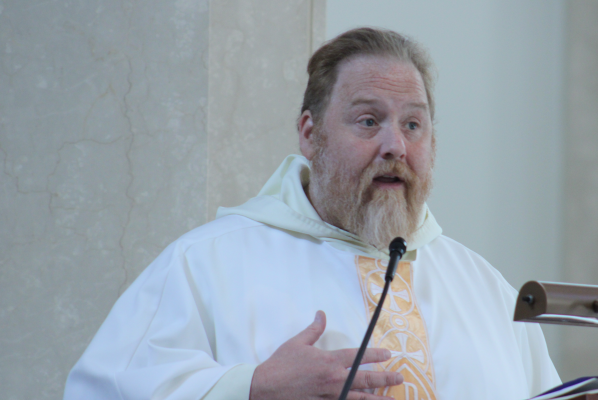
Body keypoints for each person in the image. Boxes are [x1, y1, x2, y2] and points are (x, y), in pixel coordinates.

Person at [64, 27, 561, 400]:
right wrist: (251, 388)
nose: (395, 145)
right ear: (310, 133)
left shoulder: (484, 288)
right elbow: (98, 391)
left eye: (414, 125)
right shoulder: (206, 264)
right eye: (369, 121)